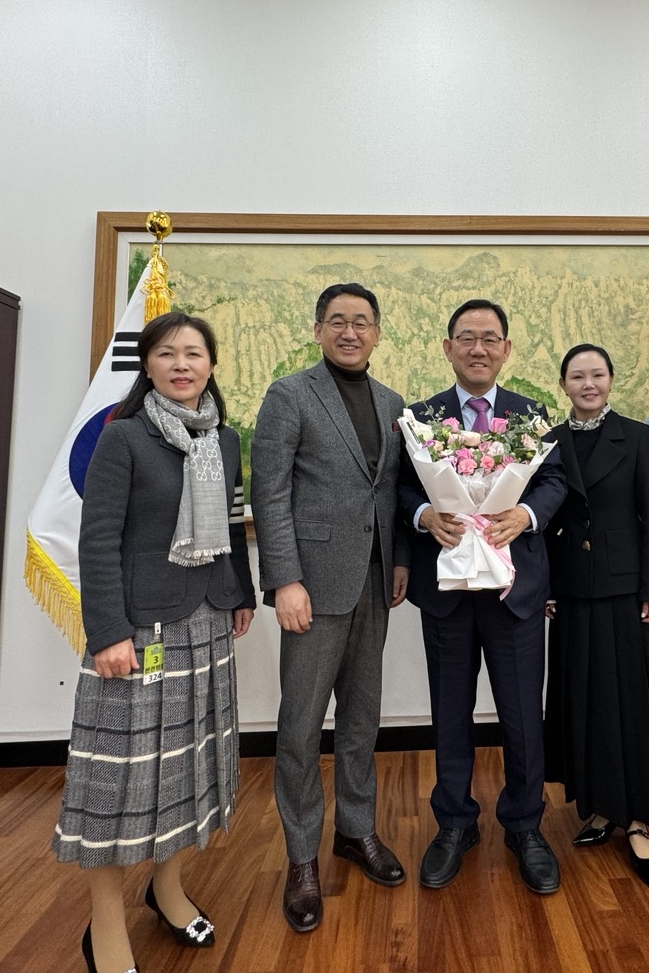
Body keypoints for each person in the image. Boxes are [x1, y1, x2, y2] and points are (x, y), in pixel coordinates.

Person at [53, 311, 255, 973]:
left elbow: (231, 522)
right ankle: (104, 927)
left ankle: (166, 889)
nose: (181, 364)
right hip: (138, 631)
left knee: (189, 769)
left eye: (194, 353)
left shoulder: (222, 439)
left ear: (211, 365)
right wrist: (107, 631)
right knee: (119, 784)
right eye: (167, 353)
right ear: (147, 365)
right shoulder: (123, 437)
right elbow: (96, 539)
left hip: (208, 621)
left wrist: (241, 593)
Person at [250, 283, 411, 933]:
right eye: (338, 321)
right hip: (311, 589)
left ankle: (355, 830)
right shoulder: (290, 394)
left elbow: (392, 491)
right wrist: (285, 580)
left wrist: (399, 560)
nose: (350, 332)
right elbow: (269, 492)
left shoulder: (392, 403)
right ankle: (300, 859)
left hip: (374, 581)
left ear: (377, 333)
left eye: (362, 322)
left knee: (362, 720)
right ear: (318, 330)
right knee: (299, 728)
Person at [398, 298, 568, 895]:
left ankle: (525, 826)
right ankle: (454, 824)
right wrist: (423, 515)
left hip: (513, 594)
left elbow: (555, 480)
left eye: (490, 338)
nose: (478, 348)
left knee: (522, 718)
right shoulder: (421, 418)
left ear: (506, 349)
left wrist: (526, 514)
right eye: (466, 338)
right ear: (448, 348)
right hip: (447, 594)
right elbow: (400, 486)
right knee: (449, 714)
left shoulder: (533, 414)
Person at [542, 343, 649, 890]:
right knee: (587, 701)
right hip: (572, 591)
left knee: (632, 702)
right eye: (577, 376)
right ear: (563, 384)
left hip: (628, 592)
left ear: (610, 380)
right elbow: (542, 523)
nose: (588, 384)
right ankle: (601, 807)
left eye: (597, 374)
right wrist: (547, 588)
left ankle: (639, 819)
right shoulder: (548, 441)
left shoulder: (637, 437)